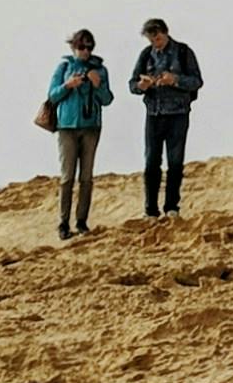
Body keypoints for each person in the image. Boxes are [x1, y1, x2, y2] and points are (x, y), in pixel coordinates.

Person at [130, 17, 203, 219]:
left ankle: (172, 207)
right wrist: (141, 86)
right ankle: (150, 210)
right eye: (152, 40)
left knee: (175, 162)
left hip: (178, 114)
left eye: (158, 39)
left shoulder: (183, 52)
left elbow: (197, 81)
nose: (156, 43)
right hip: (154, 113)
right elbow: (132, 84)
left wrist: (175, 80)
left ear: (165, 32)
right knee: (151, 162)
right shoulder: (146, 55)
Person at [47, 29, 112, 239]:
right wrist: (68, 85)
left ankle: (81, 221)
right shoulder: (64, 67)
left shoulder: (100, 69)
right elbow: (52, 95)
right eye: (81, 47)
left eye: (89, 47)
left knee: (86, 176)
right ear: (73, 47)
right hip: (67, 127)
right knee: (67, 176)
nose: (85, 51)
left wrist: (97, 84)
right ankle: (63, 223)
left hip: (91, 126)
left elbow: (107, 99)